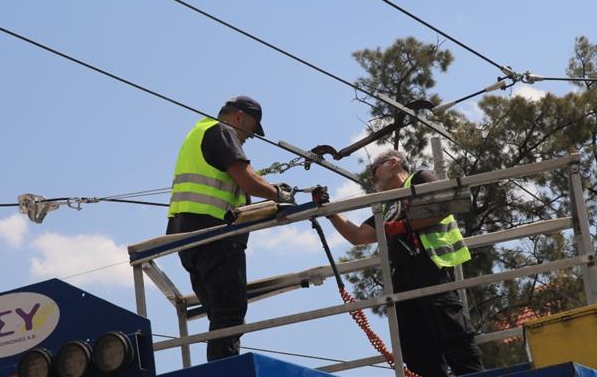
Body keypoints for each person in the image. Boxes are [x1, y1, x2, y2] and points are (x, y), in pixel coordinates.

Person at [316, 149, 483, 376]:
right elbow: (358, 236)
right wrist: (328, 210)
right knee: (416, 348)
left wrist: (403, 227)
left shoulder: (420, 179)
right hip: (404, 276)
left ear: (393, 163)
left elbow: (448, 204)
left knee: (452, 333)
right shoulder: (385, 206)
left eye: (374, 170)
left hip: (431, 265)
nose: (372, 177)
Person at [166, 95, 292, 361]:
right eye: (252, 128)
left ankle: (220, 366)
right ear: (238, 117)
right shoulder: (222, 131)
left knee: (218, 313)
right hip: (215, 237)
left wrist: (272, 188)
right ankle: (226, 370)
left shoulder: (199, 132)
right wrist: (279, 196)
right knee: (230, 312)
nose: (250, 137)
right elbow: (248, 181)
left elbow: (250, 174)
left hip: (187, 240)